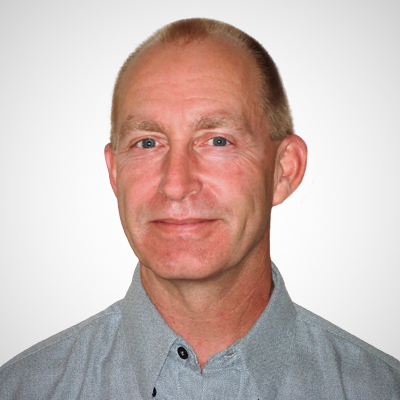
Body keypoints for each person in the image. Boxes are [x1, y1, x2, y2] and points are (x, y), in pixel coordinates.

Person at [0, 17, 399, 399]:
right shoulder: (22, 389)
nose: (176, 185)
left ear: (283, 170)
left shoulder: (382, 390)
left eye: (217, 141)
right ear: (115, 172)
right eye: (148, 143)